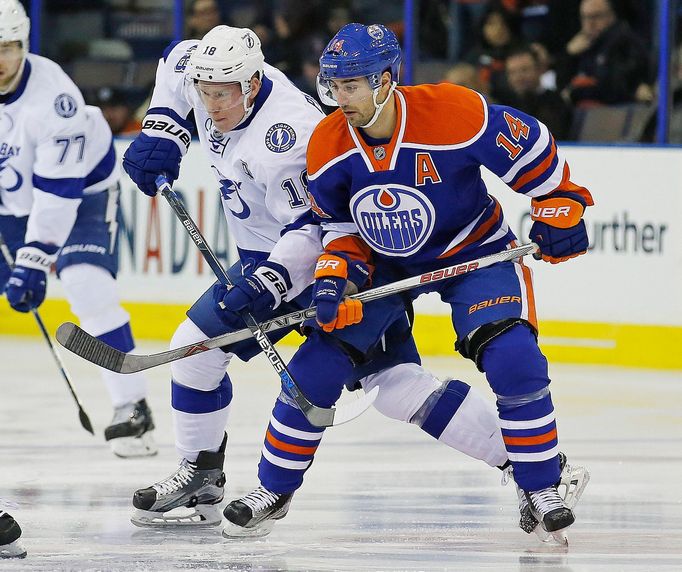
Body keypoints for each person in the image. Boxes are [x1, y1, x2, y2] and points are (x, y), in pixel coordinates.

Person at [121, 24, 544, 533]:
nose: (210, 106)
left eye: (221, 95)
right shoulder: (216, 75)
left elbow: (318, 229)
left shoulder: (290, 137)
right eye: (202, 93)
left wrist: (272, 281)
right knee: (387, 384)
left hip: (321, 261)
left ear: (251, 85)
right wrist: (164, 127)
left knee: (210, 353)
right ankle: (201, 476)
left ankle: (535, 468)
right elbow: (176, 59)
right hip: (280, 258)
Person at [224, 23, 592, 543]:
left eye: (351, 85)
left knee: (513, 358)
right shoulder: (328, 143)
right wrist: (335, 278)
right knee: (315, 369)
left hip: (473, 250)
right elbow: (341, 230)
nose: (339, 98)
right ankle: (273, 488)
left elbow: (532, 149)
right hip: (383, 264)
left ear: (386, 79)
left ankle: (541, 484)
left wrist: (560, 205)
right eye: (332, 85)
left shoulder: (453, 112)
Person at [0, 0, 156, 458]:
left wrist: (32, 260)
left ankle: (132, 406)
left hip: (80, 193)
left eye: (7, 48)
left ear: (24, 45)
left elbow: (58, 193)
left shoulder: (54, 99)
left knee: (87, 285)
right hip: (14, 200)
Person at [556, 0, 651, 106]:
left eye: (595, 16)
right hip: (585, 115)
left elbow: (615, 87)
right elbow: (561, 88)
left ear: (612, 16)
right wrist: (569, 55)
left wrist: (576, 93)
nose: (589, 23)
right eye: (585, 17)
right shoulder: (581, 45)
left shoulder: (624, 42)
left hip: (615, 114)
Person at [503, 46, 572, 140]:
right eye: (512, 72)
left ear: (540, 69)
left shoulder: (554, 102)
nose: (518, 77)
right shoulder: (505, 103)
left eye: (524, 70)